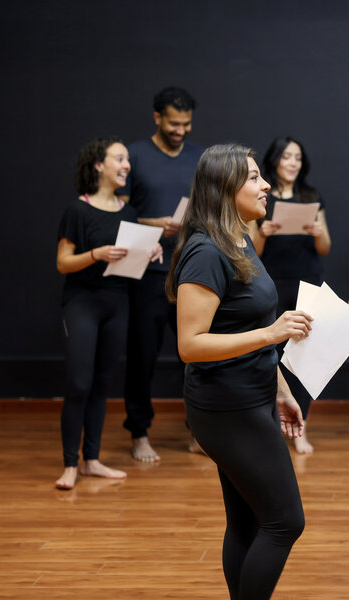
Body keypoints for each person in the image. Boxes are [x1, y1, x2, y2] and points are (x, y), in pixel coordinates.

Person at [167, 144, 310, 599]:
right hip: (227, 408)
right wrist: (271, 334)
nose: (266, 184)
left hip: (253, 396)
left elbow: (248, 326)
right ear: (224, 188)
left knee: (248, 521)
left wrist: (280, 389)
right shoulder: (206, 252)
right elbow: (190, 345)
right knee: (285, 521)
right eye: (253, 177)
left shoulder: (238, 238)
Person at [55, 137, 162, 490]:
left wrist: (150, 251)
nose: (127, 165)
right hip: (82, 303)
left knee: (102, 383)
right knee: (79, 384)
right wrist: (96, 254)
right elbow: (63, 263)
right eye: (119, 158)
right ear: (98, 165)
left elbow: (129, 259)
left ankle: (92, 460)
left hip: (118, 304)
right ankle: (70, 464)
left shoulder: (128, 213)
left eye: (127, 159)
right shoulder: (78, 210)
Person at [120, 86, 204, 462]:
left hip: (192, 271)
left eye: (186, 124)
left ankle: (199, 431)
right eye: (173, 123)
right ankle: (139, 432)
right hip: (147, 271)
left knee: (197, 356)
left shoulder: (199, 157)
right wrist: (154, 224)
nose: (180, 130)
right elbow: (116, 214)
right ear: (157, 117)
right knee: (142, 356)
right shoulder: (134, 156)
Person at [253, 136, 331, 454]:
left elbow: (325, 248)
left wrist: (318, 232)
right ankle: (271, 426)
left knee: (305, 357)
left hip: (307, 284)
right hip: (271, 283)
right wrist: (263, 232)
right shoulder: (261, 195)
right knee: (270, 354)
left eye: (297, 157)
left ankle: (301, 427)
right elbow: (252, 252)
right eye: (287, 156)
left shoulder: (311, 196)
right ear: (275, 160)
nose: (293, 163)